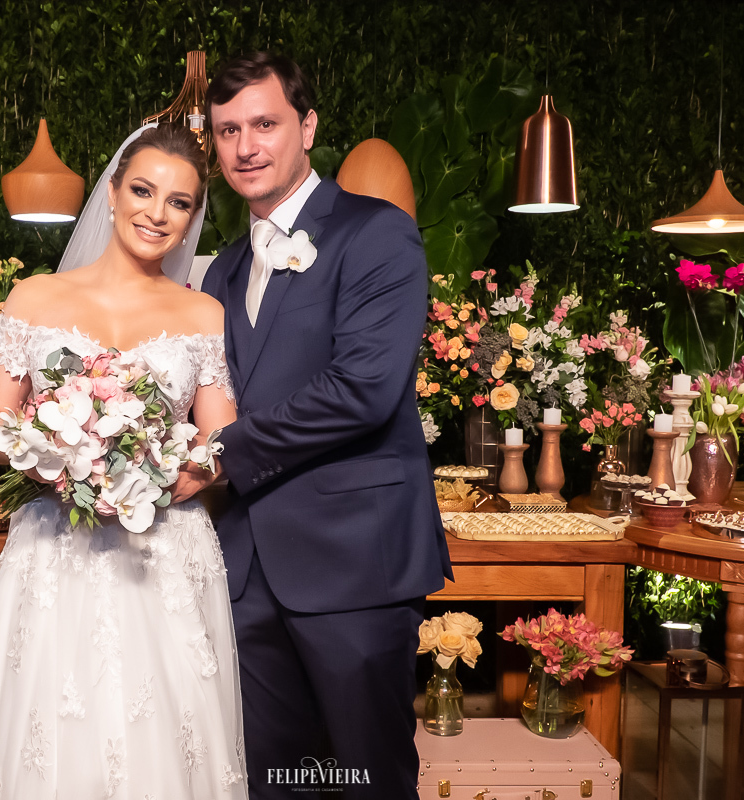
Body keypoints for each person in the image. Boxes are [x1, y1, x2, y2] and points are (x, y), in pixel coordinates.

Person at [0, 123, 247, 799]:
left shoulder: (203, 314)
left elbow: (223, 437)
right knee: (49, 720)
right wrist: (48, 452)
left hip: (161, 549)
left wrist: (190, 468)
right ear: (111, 191)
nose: (155, 213)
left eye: (179, 202)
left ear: (193, 216)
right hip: (56, 547)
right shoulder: (37, 297)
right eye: (142, 190)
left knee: (164, 731)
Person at [196, 53, 454, 799]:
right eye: (228, 130)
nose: (246, 146)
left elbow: (363, 391)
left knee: (366, 779)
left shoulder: (375, 234)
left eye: (266, 123)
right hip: (246, 571)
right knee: (277, 781)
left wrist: (218, 455)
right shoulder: (221, 271)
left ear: (307, 126)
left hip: (353, 563)